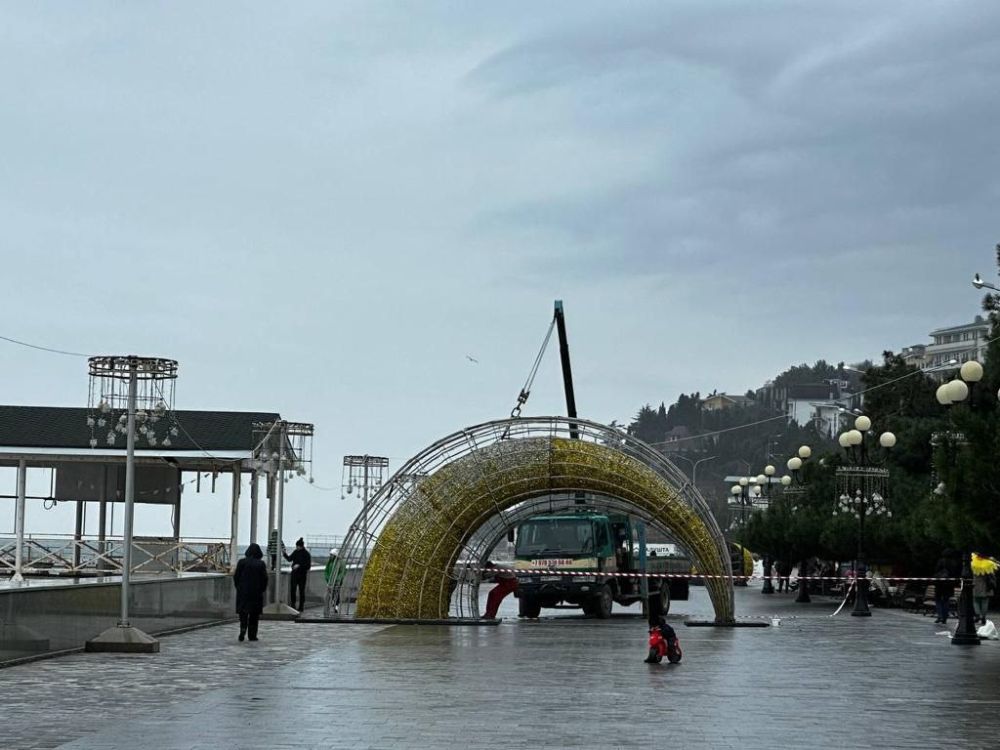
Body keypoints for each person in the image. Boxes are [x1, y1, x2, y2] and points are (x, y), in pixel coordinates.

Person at [233, 542, 268, 642]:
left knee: (243, 612)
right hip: (256, 593)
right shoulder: (261, 564)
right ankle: (252, 635)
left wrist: (239, 587)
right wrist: (262, 589)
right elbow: (264, 579)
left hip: (243, 592)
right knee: (254, 615)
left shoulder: (241, 562)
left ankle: (243, 629)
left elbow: (236, 577)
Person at [933, 549, 960, 625]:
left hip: (940, 584)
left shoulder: (940, 561)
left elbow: (936, 571)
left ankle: (940, 615)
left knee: (938, 600)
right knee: (946, 600)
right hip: (949, 584)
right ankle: (945, 617)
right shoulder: (954, 563)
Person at [285, 538, 312, 612]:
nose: (296, 547)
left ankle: (301, 606)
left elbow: (308, 566)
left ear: (301, 546)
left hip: (302, 575)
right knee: (293, 590)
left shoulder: (306, 554)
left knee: (301, 591)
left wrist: (299, 565)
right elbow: (289, 559)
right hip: (294, 574)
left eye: (297, 546)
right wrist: (284, 554)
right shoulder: (296, 552)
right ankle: (293, 605)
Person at [972, 553, 997, 626]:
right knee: (985, 602)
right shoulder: (988, 565)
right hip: (986, 587)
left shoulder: (974, 564)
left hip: (976, 586)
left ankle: (977, 615)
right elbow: (993, 577)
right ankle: (983, 617)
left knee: (975, 601)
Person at [324, 549, 346, 613]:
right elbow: (326, 571)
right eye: (330, 555)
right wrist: (328, 578)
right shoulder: (329, 562)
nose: (330, 556)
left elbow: (342, 572)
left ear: (335, 556)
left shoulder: (341, 562)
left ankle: (336, 606)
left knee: (336, 593)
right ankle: (331, 605)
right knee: (331, 593)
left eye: (331, 555)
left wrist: (337, 579)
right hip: (330, 581)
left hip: (337, 581)